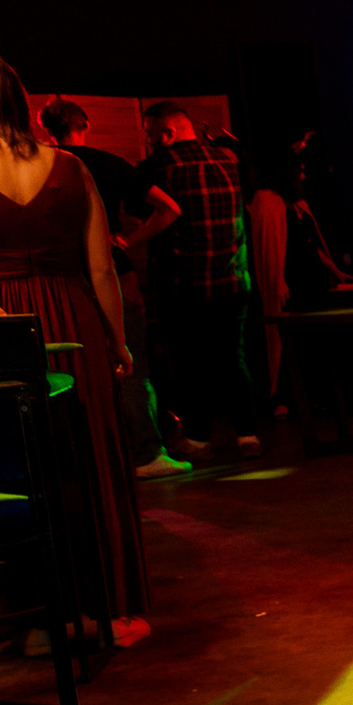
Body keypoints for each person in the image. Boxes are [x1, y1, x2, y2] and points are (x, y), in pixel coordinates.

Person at [0, 49, 150, 639]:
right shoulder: (70, 166)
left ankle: (31, 619)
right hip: (72, 320)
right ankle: (107, 610)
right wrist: (116, 341)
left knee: (11, 468)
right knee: (86, 462)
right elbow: (103, 268)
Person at [39, 97, 186, 480]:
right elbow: (169, 208)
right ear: (85, 123)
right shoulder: (109, 163)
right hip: (114, 272)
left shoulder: (43, 164)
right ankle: (145, 453)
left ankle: (90, 458)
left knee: (70, 367)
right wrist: (130, 241)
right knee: (131, 362)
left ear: (46, 129)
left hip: (62, 276)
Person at [138, 100, 259, 461]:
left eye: (149, 133)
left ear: (168, 133)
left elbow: (138, 209)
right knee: (233, 358)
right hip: (234, 280)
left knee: (191, 364)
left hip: (184, 283)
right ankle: (248, 435)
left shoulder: (156, 166)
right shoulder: (229, 161)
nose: (147, 141)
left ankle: (198, 439)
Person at [248, 131, 353, 420]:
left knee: (312, 345)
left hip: (310, 286)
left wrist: (337, 272)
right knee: (290, 344)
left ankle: (313, 397)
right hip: (291, 287)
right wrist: (279, 281)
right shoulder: (267, 201)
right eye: (299, 171)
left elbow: (313, 247)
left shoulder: (298, 205)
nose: (303, 177)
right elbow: (269, 250)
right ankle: (281, 398)